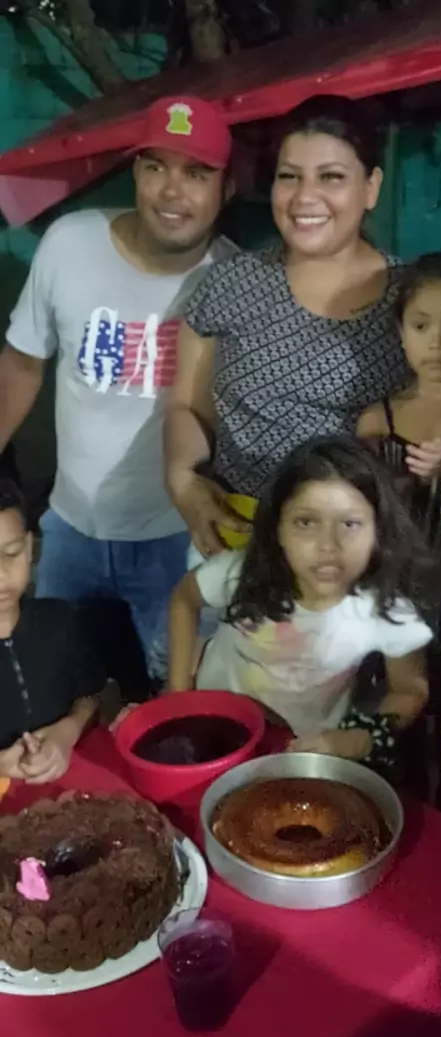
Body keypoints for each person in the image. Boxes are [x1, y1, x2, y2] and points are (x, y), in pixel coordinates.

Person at [0, 95, 236, 679]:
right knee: (51, 685)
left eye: (196, 174)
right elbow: (23, 364)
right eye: (155, 167)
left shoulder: (235, 283)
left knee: (180, 691)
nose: (171, 192)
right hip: (68, 527)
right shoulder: (70, 244)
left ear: (227, 188)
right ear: (135, 173)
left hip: (176, 537)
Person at [165, 94, 441, 561]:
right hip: (239, 538)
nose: (304, 197)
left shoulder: (415, 301)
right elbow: (188, 407)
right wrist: (183, 481)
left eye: (331, 177)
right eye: (289, 176)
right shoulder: (231, 282)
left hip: (364, 555)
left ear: (371, 187)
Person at [169, 437, 433, 767]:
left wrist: (360, 737)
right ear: (277, 527)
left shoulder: (387, 608)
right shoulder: (242, 573)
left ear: (379, 530)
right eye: (306, 522)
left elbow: (410, 689)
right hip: (210, 724)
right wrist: (178, 695)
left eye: (350, 524)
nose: (327, 546)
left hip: (300, 749)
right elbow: (185, 599)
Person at [357, 251, 441, 806]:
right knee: (402, 686)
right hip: (400, 580)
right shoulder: (377, 419)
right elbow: (364, 507)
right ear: (400, 332)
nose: (437, 344)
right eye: (421, 325)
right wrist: (404, 481)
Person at [0, 480, 105, 785]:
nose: (2, 575)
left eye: (11, 553)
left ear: (29, 547)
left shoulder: (59, 620)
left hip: (69, 783)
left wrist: (68, 730)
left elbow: (91, 693)